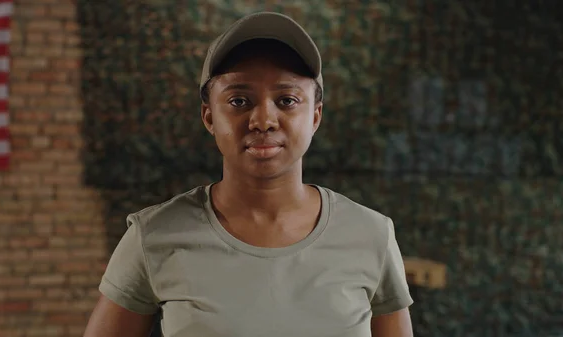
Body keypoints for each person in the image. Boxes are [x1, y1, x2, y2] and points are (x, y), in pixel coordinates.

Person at [83, 11, 414, 337]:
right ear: (209, 116)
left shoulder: (371, 235)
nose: (263, 120)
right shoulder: (153, 236)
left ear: (314, 117)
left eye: (287, 100)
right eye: (239, 100)